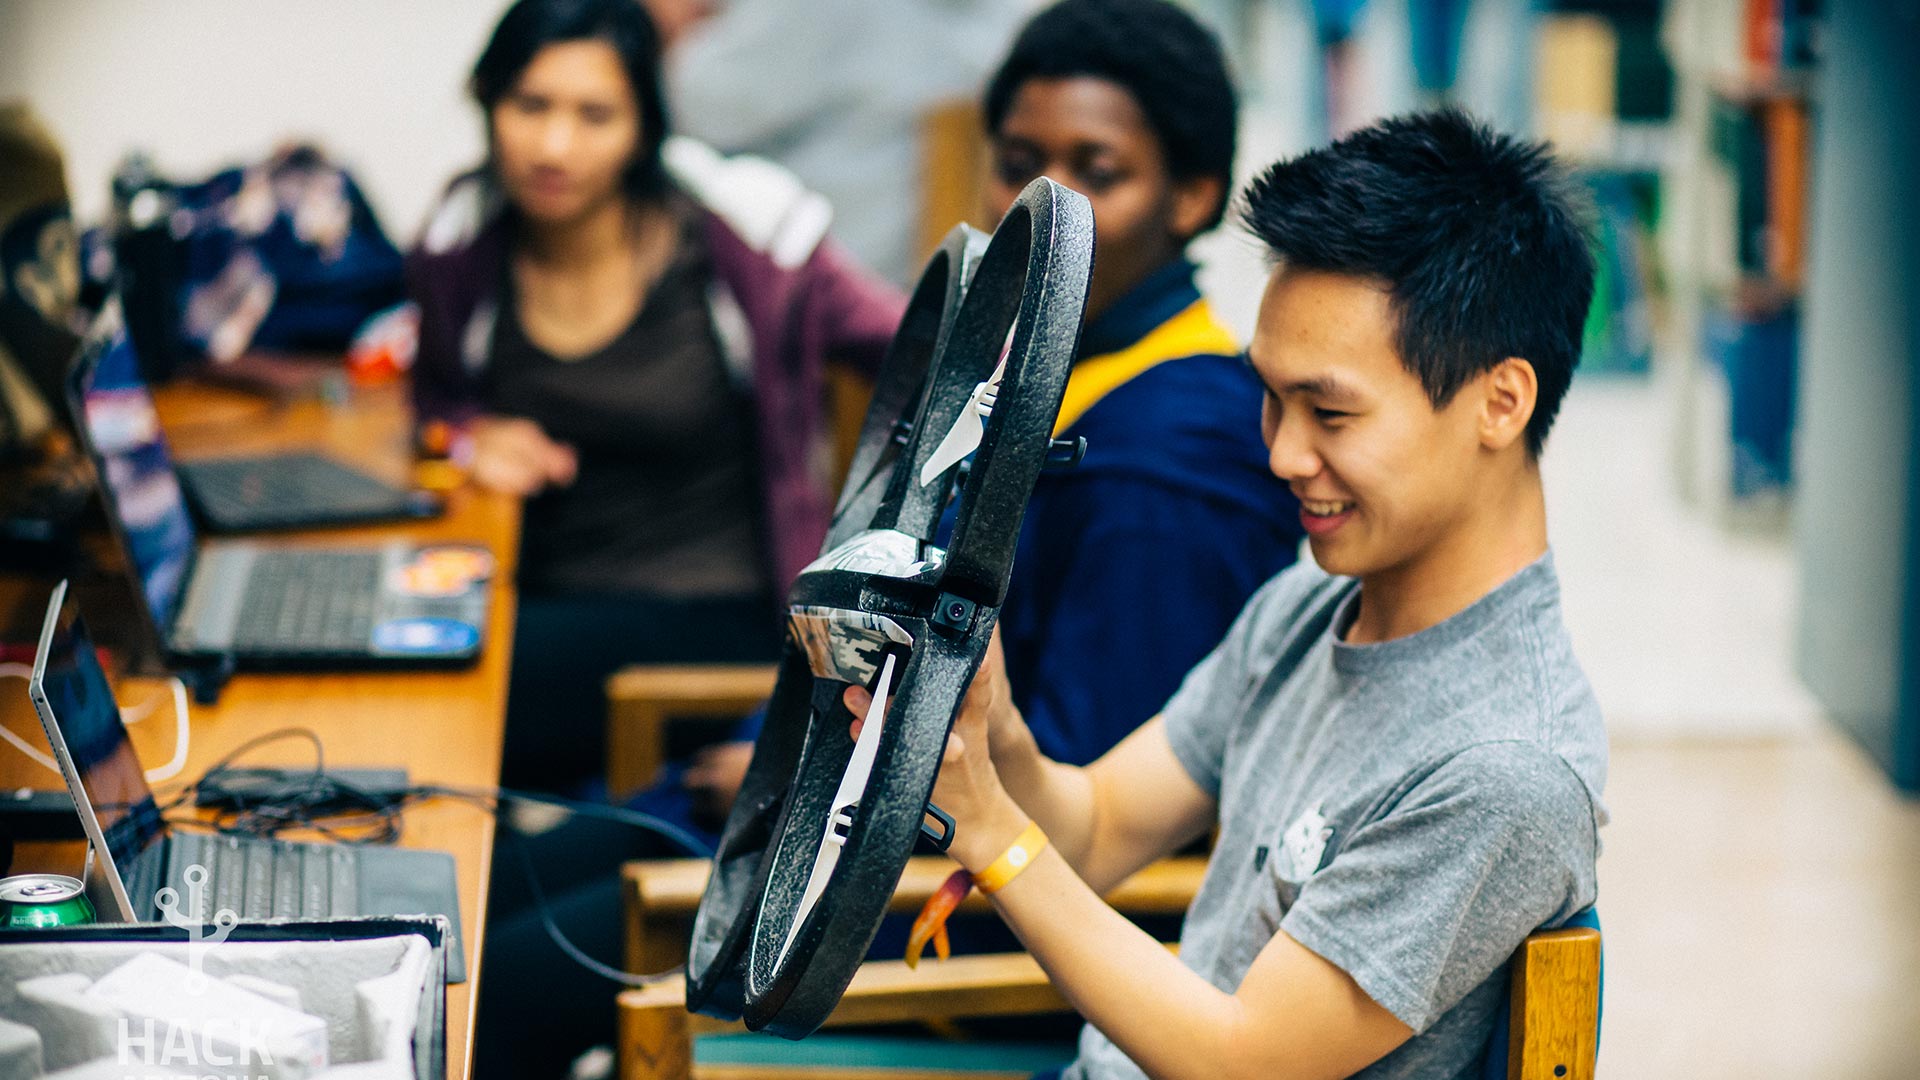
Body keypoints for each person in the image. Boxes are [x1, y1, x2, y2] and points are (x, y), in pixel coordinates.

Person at [861, 109, 1608, 1079]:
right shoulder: (1309, 605)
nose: (1282, 454)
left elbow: (1243, 1062)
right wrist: (991, 728)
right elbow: (1097, 828)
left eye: (1330, 412)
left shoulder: (1502, 771)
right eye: (1272, 397)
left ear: (1499, 402)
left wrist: (994, 831)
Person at [683, 0, 1304, 817]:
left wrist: (816, 778)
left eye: (1100, 172)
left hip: (929, 883)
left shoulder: (1176, 457)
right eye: (1019, 164)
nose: (1050, 211)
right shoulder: (1036, 376)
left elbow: (1084, 785)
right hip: (826, 799)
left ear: (1191, 198)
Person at [406, 0, 904, 796]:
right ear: (490, 103)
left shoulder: (742, 236)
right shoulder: (462, 242)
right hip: (542, 593)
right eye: (530, 106)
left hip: (713, 612)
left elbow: (927, 340)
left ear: (644, 126)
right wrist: (468, 437)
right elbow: (432, 401)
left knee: (432, 695)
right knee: (408, 663)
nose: (554, 146)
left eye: (594, 114)